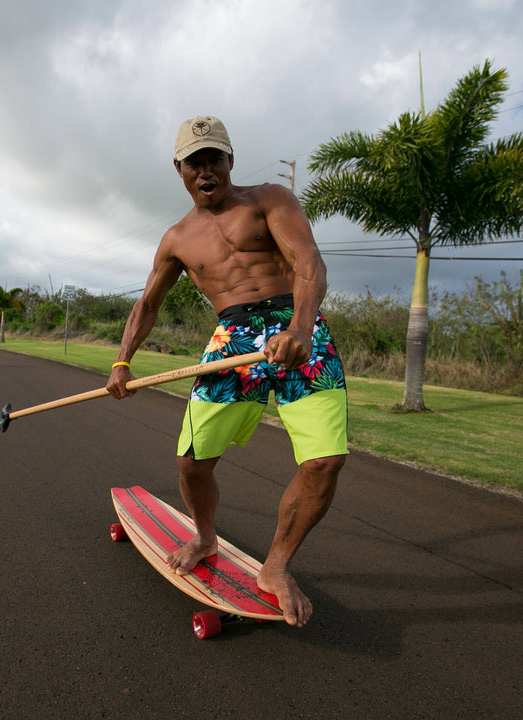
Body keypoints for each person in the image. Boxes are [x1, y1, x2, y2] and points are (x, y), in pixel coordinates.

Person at [106, 116, 348, 627]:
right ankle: (204, 536)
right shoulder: (176, 237)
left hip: (297, 326)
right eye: (194, 161)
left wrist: (301, 328)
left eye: (214, 157)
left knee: (325, 460)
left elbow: (309, 261)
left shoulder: (269, 199)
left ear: (230, 160)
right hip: (232, 338)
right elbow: (147, 304)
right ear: (179, 169)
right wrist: (123, 360)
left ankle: (276, 566)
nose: (205, 169)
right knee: (192, 460)